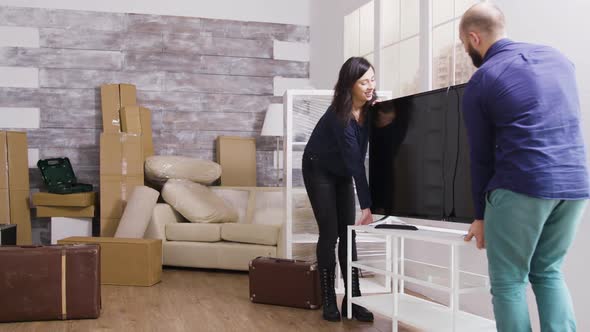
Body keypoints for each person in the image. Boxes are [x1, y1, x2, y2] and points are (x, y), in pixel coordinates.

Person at [459, 3, 589, 331]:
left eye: (464, 45)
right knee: (548, 272)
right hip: (575, 184)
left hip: (522, 184)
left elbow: (481, 155)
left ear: (474, 38)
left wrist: (480, 215)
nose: (466, 51)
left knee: (508, 282)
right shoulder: (559, 59)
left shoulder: (483, 78)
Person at [302, 57, 377, 322]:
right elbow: (357, 162)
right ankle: (328, 301)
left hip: (342, 171)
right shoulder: (339, 116)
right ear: (349, 85)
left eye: (372, 80)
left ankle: (352, 301)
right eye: (363, 82)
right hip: (318, 168)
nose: (370, 86)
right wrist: (368, 206)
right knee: (330, 233)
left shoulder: (372, 110)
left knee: (349, 235)